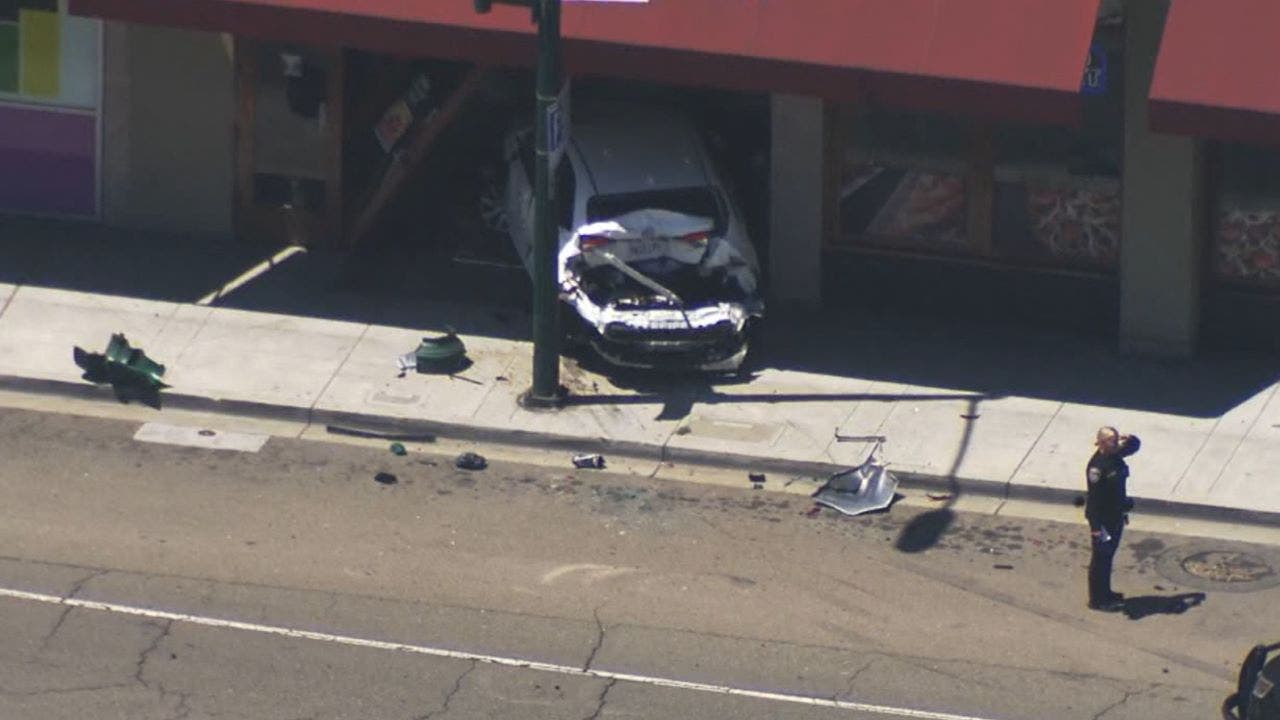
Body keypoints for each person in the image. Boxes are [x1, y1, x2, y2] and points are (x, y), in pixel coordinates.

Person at [1085, 426, 1140, 612]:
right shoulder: (1097, 468)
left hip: (1116, 516)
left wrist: (1130, 438)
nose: (1116, 444)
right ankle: (1097, 600)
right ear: (1100, 443)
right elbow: (1093, 500)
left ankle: (1106, 593)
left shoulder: (1114, 455)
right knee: (1101, 557)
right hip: (1103, 523)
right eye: (1111, 441)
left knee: (1108, 556)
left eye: (1116, 440)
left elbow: (1134, 447)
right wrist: (1095, 527)